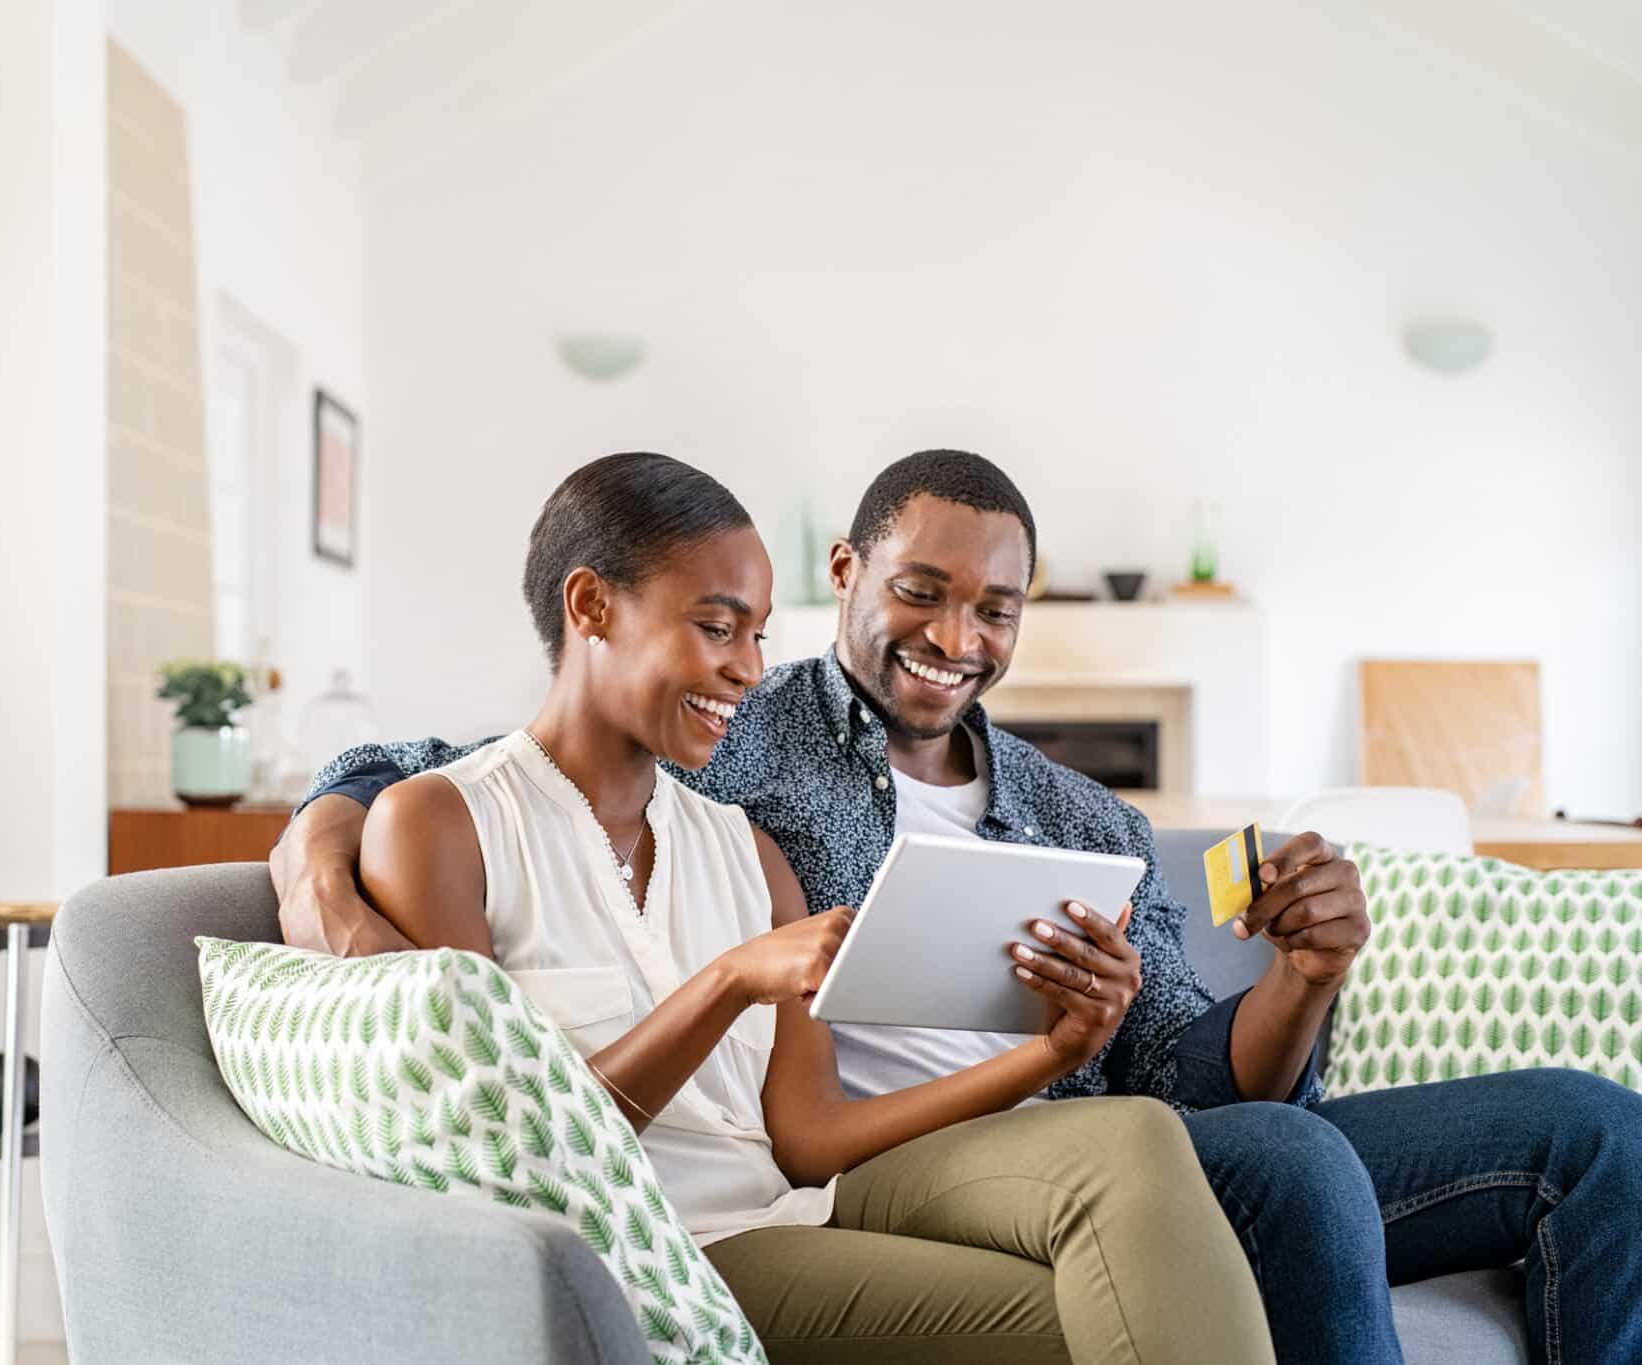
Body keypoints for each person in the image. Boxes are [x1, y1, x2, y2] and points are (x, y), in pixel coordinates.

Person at [274, 448, 1642, 1365]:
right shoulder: (754, 738)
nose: (955, 637)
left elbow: (1184, 1074)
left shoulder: (1079, 815)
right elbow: (468, 761)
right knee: (1282, 1164)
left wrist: (1303, 974)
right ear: (848, 580)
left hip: (1093, 1135)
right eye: (921, 591)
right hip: (889, 1171)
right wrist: (324, 841)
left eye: (996, 607)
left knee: (1590, 1132)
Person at [347, 451, 1274, 1364]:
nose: (750, 669)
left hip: (794, 1209)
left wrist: (1054, 1050)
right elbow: (509, 1155)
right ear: (591, 606)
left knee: (1140, 1159)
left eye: (756, 634)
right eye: (717, 628)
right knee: (1105, 1312)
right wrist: (727, 981)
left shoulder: (745, 851)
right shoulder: (440, 825)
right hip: (660, 1258)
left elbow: (808, 1140)